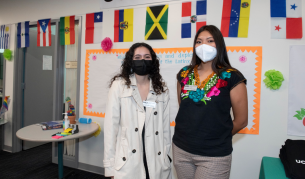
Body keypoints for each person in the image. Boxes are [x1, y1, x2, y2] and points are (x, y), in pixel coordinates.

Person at [173, 25, 248, 179]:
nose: (203, 46)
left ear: (219, 44)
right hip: (181, 149)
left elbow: (241, 121)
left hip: (214, 155)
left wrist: (216, 137)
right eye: (199, 42)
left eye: (210, 40)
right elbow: (185, 108)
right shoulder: (184, 73)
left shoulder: (232, 76)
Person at [103, 43, 172, 179]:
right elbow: (111, 128)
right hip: (128, 159)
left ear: (153, 61)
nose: (142, 60)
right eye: (138, 57)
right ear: (131, 61)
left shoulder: (161, 89)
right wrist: (110, 167)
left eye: (147, 57)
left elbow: (165, 129)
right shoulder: (119, 86)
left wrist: (167, 157)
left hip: (156, 158)